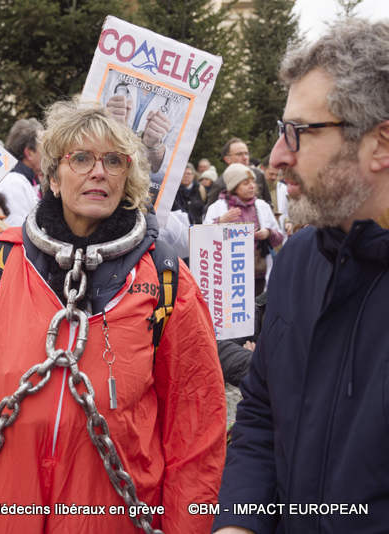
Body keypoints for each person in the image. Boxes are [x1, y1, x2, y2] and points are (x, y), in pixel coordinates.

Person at [0, 99, 226, 533]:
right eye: (80, 158)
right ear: (55, 178)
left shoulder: (166, 276)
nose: (97, 172)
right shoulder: (4, 261)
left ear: (128, 179)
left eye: (113, 161)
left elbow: (196, 422)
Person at [213, 19, 389, 534]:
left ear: (379, 144)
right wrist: (237, 525)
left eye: (300, 133)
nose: (276, 158)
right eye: (279, 130)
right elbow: (262, 418)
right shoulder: (296, 263)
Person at [204, 163, 283, 294]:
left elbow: (279, 238)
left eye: (253, 182)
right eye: (246, 183)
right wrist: (220, 222)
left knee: (256, 309)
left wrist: (268, 233)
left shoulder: (262, 206)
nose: (252, 186)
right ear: (234, 187)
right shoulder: (217, 208)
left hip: (257, 273)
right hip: (228, 275)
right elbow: (204, 240)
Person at [0, 118, 42, 226]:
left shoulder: (29, 179)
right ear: (29, 153)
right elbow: (18, 229)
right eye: (43, 147)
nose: (48, 153)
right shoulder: (13, 183)